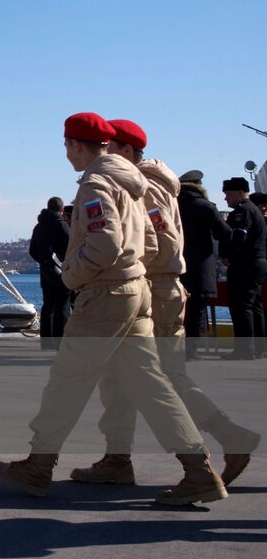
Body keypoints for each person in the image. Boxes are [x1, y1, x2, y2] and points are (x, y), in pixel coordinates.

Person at [0, 112, 226, 506]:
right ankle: (198, 470)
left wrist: (70, 275)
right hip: (135, 290)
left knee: (66, 381)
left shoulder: (96, 182)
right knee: (151, 384)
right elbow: (149, 241)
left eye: (66, 146)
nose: (66, 154)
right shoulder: (131, 183)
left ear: (77, 144)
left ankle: (37, 466)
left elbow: (105, 243)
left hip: (106, 294)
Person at [71, 120, 260, 489]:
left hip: (153, 289)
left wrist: (118, 272)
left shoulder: (145, 186)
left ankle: (219, 446)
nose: (103, 151)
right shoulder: (145, 182)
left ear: (125, 150)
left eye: (109, 146)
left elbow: (157, 244)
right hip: (157, 288)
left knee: (156, 380)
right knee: (124, 378)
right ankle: (118, 458)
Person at [178, 170, 230, 360]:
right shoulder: (206, 206)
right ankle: (192, 350)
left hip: (178, 263)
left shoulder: (173, 205)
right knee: (198, 307)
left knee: (179, 307)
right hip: (201, 264)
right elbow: (224, 233)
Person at [222, 176, 267, 359]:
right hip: (257, 262)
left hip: (245, 264)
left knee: (242, 306)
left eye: (229, 195)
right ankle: (258, 348)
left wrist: (228, 256)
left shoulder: (243, 211)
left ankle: (244, 349)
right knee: (254, 304)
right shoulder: (252, 210)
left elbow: (239, 236)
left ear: (240, 193)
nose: (226, 199)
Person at [29, 196, 71, 348]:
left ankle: (46, 343)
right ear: (62, 209)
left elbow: (32, 251)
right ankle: (60, 343)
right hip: (62, 271)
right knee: (63, 307)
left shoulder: (38, 227)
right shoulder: (62, 225)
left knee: (48, 306)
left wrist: (44, 261)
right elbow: (71, 246)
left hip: (45, 272)